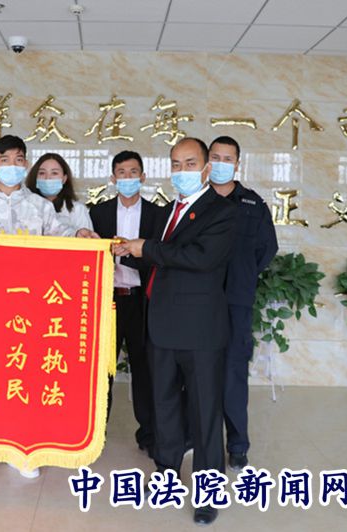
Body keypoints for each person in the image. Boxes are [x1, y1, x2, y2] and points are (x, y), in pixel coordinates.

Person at [0, 134, 95, 484]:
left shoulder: (40, 206)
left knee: (22, 375)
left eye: (18, 160)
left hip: (29, 307)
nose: (12, 166)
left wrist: (80, 237)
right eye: (5, 160)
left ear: (25, 164)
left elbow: (60, 240)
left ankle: (19, 450)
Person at [113, 137, 236, 525]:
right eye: (176, 164)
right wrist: (125, 251)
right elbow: (158, 261)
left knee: (204, 412)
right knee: (163, 404)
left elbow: (200, 258)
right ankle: (166, 472)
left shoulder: (223, 211)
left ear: (206, 168)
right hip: (161, 324)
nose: (182, 171)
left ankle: (207, 493)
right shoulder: (169, 210)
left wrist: (145, 248)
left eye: (190, 163)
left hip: (200, 331)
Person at [208, 135, 278, 471]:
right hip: (197, 302)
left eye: (227, 159)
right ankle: (195, 437)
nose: (221, 164)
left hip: (236, 301)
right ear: (206, 162)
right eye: (215, 157)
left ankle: (237, 444)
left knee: (233, 373)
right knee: (195, 373)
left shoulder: (253, 204)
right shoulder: (195, 200)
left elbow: (267, 249)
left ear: (237, 164)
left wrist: (241, 275)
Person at [89, 150, 159, 457]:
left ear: (143, 177)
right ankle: (95, 432)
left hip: (142, 303)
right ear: (112, 178)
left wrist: (129, 253)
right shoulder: (98, 213)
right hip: (107, 302)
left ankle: (149, 434)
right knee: (101, 369)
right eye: (121, 172)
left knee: (145, 370)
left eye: (133, 172)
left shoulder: (158, 215)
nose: (127, 178)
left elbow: (158, 259)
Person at [25, 152, 92, 234]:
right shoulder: (25, 207)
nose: (48, 178)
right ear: (35, 178)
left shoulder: (78, 210)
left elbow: (87, 239)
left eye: (54, 173)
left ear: (64, 179)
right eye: (42, 173)